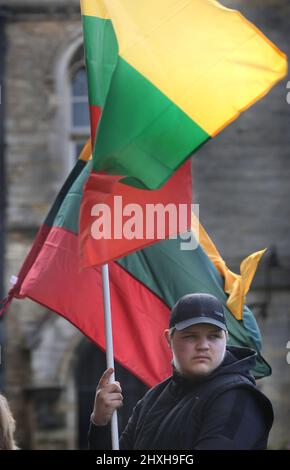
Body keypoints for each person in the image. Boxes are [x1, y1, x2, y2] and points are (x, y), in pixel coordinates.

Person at [88, 293, 274, 450]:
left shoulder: (238, 398)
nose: (203, 346)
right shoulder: (152, 399)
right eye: (191, 336)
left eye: (214, 336)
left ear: (226, 338)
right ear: (169, 338)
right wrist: (100, 423)